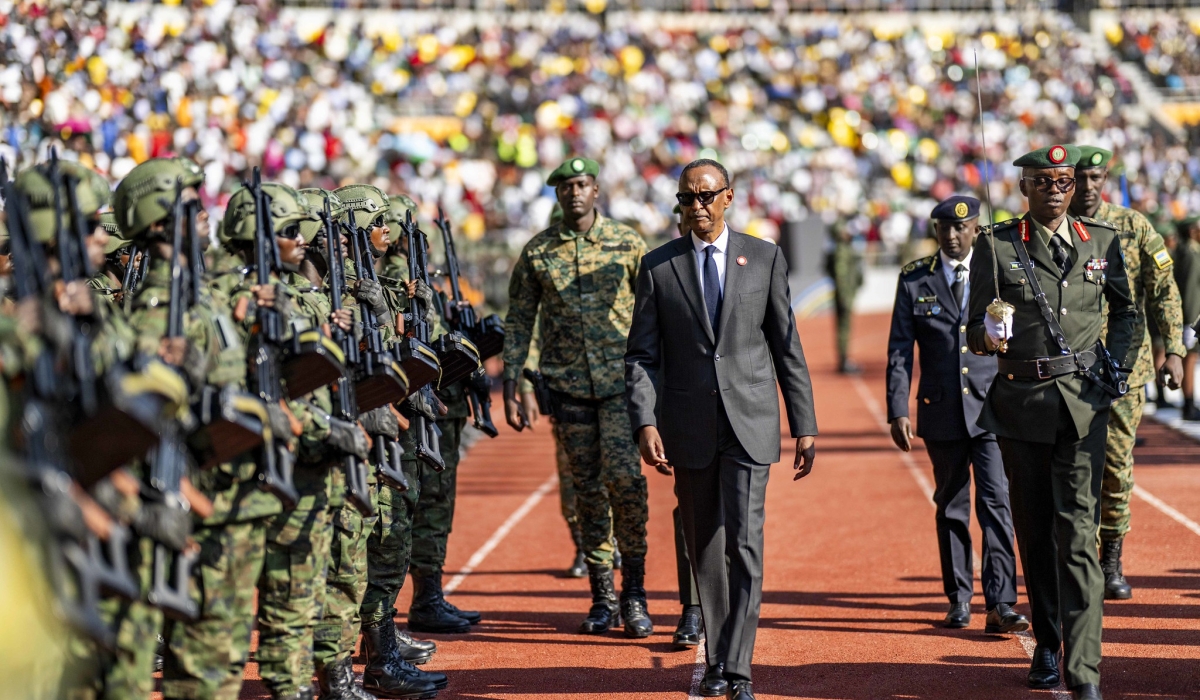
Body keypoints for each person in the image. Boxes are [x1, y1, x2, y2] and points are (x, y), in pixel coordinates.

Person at [625, 158, 818, 700]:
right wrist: (644, 419)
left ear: (729, 197)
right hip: (687, 426)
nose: (698, 207)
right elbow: (641, 356)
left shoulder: (764, 256)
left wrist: (804, 421)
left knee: (745, 545)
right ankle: (717, 651)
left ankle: (736, 668)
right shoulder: (658, 267)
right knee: (703, 545)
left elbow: (786, 345)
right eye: (687, 199)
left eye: (707, 196)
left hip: (750, 423)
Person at [967, 144, 1137, 700]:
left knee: (1078, 537)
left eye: (1064, 181)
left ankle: (1084, 668)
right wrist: (988, 337)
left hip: (1083, 408)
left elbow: (1127, 314)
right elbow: (973, 331)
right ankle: (1047, 637)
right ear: (1025, 187)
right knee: (1036, 533)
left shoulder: (1102, 241)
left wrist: (1115, 374)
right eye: (1044, 181)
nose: (1056, 189)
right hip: (1020, 406)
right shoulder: (996, 244)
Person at [502, 156, 653, 638]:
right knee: (586, 492)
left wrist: (660, 379)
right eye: (565, 186)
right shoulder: (538, 251)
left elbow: (653, 313)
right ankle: (602, 596)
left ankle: (635, 593)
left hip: (619, 387)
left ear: (596, 190)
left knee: (627, 485)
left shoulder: (627, 243)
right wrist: (513, 380)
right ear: (556, 194)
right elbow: (520, 318)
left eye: (582, 184)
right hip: (567, 389)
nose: (574, 193)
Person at [886, 195, 1027, 634]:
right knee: (951, 506)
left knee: (997, 504)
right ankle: (959, 598)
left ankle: (1001, 602)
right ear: (935, 231)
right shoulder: (914, 280)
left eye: (961, 229)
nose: (951, 236)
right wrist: (896, 409)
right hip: (942, 408)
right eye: (943, 228)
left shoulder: (996, 275)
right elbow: (898, 350)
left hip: (991, 408)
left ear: (976, 231)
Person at [1068, 146, 1185, 600]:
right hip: (1070, 374)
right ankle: (1076, 557)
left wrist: (1173, 349)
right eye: (1082, 177)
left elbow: (1163, 291)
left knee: (1116, 469)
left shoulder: (1134, 227)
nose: (1090, 186)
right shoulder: (1054, 228)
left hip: (1125, 374)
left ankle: (1110, 560)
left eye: (1098, 177)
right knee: (1075, 471)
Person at [826, 218, 863, 374]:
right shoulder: (841, 250)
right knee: (844, 328)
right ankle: (844, 361)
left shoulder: (842, 248)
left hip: (846, 294)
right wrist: (844, 297)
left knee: (844, 327)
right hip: (844, 295)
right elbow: (841, 276)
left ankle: (844, 359)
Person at [1172, 216, 1200, 419]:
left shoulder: (1189, 251)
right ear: (1191, 231)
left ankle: (1189, 402)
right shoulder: (1190, 254)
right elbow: (1190, 288)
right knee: (1190, 358)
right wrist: (1189, 322)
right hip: (1193, 317)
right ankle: (1188, 403)